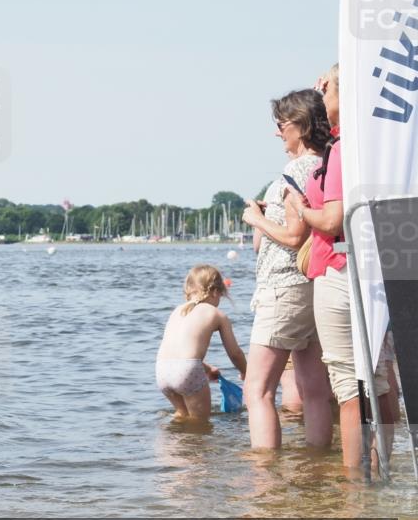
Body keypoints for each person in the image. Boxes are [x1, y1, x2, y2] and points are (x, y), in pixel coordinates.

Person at [285, 64, 394, 469]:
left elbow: (333, 219)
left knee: (350, 385)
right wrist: (327, 95)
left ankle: (355, 488)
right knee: (378, 378)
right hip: (372, 268)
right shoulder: (371, 144)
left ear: (344, 96)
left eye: (326, 88)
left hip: (340, 267)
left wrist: (300, 208)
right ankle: (383, 470)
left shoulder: (345, 150)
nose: (321, 94)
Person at [241, 89, 333, 450]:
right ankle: (317, 465)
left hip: (284, 287)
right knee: (314, 389)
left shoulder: (295, 170)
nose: (277, 132)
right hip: (313, 285)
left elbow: (295, 237)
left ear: (300, 126)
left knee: (258, 389)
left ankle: (264, 483)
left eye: (281, 124)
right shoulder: (327, 162)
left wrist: (255, 219)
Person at [156, 265, 247, 421]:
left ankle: (172, 444)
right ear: (216, 291)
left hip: (162, 370)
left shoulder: (177, 310)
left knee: (182, 416)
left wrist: (207, 368)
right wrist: (246, 372)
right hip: (186, 371)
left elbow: (179, 352)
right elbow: (235, 353)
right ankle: (197, 444)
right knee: (200, 423)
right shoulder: (217, 314)